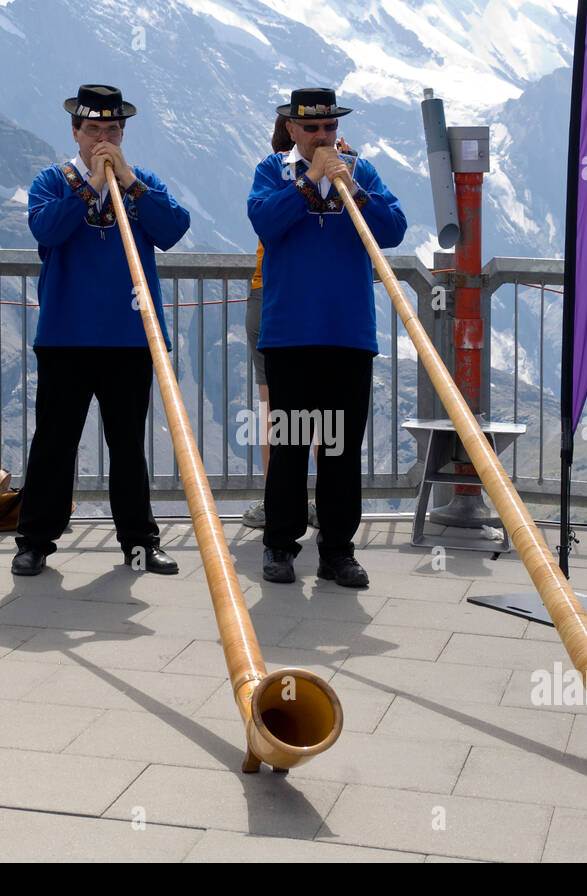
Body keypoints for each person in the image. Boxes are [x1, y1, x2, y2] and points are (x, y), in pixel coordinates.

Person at [12, 85, 190, 577]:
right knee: (54, 442)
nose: (104, 138)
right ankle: (34, 541)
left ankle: (140, 542)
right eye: (94, 130)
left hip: (132, 337)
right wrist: (91, 185)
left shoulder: (142, 182)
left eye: (113, 130)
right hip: (66, 337)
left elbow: (173, 230)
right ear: (76, 133)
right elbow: (46, 231)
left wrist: (129, 181)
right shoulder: (53, 180)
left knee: (129, 445)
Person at [247, 87, 406, 587]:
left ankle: (338, 549)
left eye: (330, 128)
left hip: (347, 333)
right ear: (291, 129)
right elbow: (266, 222)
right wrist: (312, 178)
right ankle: (280, 544)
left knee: (340, 449)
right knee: (291, 444)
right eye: (312, 129)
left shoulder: (362, 171)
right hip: (290, 333)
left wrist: (353, 189)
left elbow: (394, 228)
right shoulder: (273, 171)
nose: (323, 137)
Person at [241, 115, 318, 532]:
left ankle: (280, 502)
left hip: (271, 295)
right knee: (310, 411)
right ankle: (301, 501)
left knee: (277, 412)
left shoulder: (276, 172)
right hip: (277, 295)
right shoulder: (280, 172)